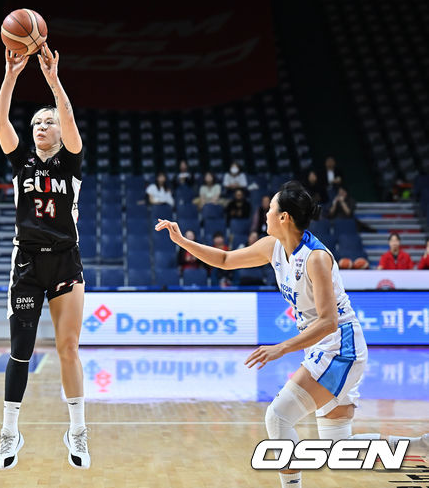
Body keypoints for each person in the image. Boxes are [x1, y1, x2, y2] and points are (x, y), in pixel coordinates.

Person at [156, 180, 428, 488]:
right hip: (325, 348)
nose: (266, 213)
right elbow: (225, 260)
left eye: (271, 209)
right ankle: (422, 448)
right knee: (339, 450)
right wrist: (182, 241)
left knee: (278, 416)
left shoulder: (316, 258)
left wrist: (281, 348)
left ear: (284, 217)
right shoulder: (272, 247)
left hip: (340, 348)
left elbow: (328, 322)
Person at [0, 44, 89, 470]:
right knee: (21, 351)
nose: (41, 127)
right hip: (28, 264)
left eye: (48, 122)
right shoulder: (22, 162)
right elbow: (1, 121)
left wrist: (53, 80)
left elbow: (68, 117)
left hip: (66, 260)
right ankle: (9, 432)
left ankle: (78, 431)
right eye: (36, 122)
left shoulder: (71, 161)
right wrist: (12, 75)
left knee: (68, 347)